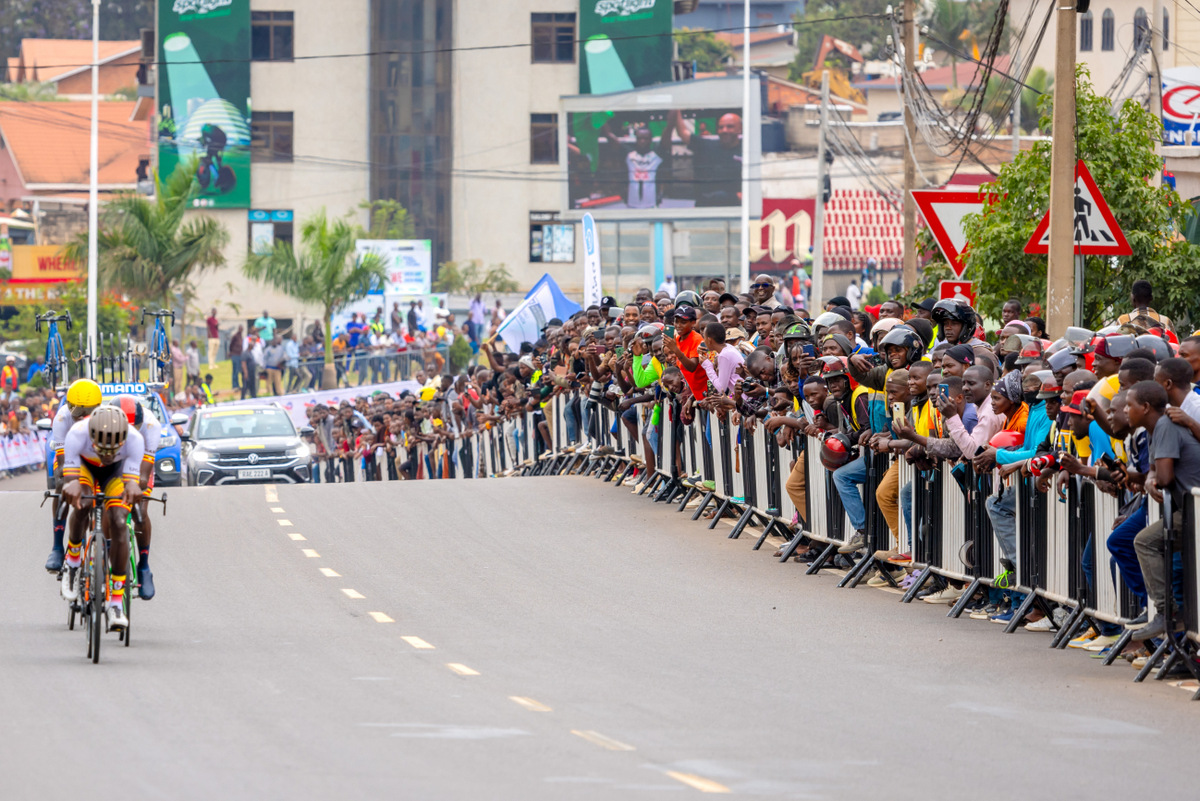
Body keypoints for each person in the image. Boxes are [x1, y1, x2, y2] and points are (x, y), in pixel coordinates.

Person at [59, 406, 146, 631]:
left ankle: (116, 602)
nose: (106, 456)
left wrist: (134, 486)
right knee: (82, 503)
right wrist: (71, 485)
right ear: (91, 437)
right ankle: (72, 561)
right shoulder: (77, 433)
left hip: (117, 472)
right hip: (85, 467)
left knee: (119, 521)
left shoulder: (135, 440)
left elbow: (132, 481)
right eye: (101, 449)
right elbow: (70, 479)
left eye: (112, 450)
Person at [44, 378, 103, 573]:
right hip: (71, 456)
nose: (81, 416)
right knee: (62, 482)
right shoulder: (62, 418)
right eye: (76, 411)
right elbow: (63, 464)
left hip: (94, 455)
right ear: (68, 407)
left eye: (88, 411)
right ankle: (57, 546)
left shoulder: (106, 417)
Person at [673, 109, 742, 207]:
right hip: (706, 208)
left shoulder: (747, 152)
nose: (724, 130)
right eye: (721, 127)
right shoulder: (707, 146)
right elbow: (683, 133)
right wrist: (676, 108)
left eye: (730, 126)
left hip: (734, 209)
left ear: (740, 129)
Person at [228, 325, 244, 392]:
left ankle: (238, 385)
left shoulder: (241, 336)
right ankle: (235, 386)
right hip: (235, 355)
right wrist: (231, 352)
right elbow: (231, 345)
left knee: (239, 370)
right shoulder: (235, 336)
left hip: (240, 355)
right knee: (235, 371)